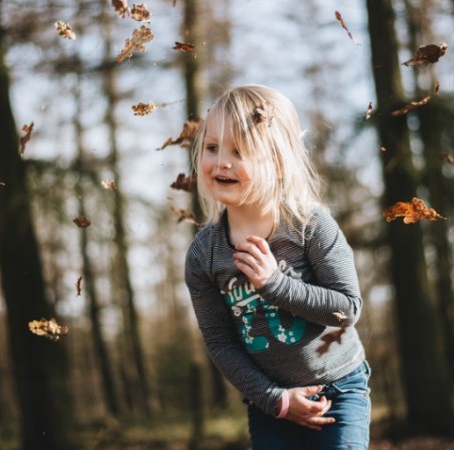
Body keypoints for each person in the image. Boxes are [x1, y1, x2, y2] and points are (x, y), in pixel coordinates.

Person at [184, 84, 371, 449]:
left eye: (240, 151)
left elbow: (347, 309)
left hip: (338, 388)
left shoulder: (310, 226)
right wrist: (277, 400)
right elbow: (221, 344)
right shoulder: (203, 256)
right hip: (271, 403)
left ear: (278, 160)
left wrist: (275, 284)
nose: (221, 161)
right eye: (212, 147)